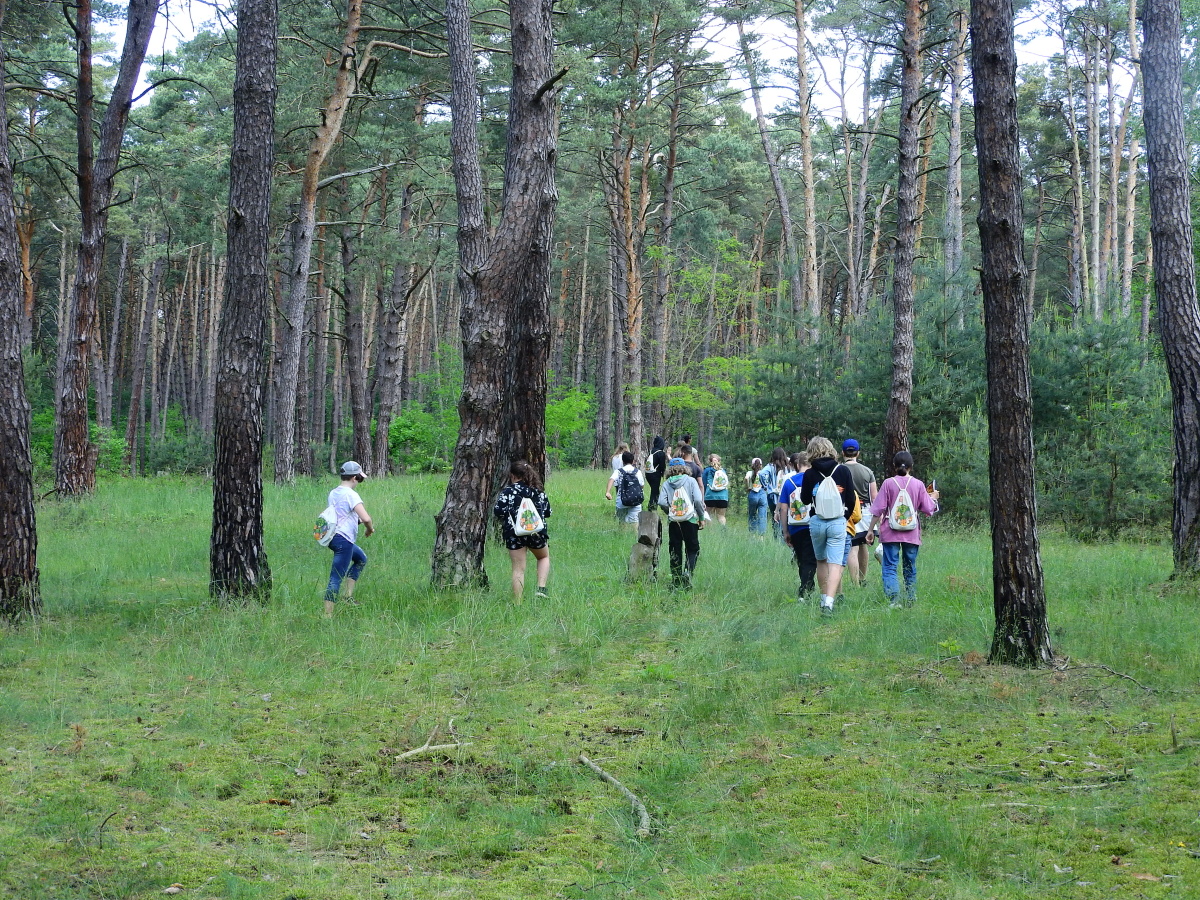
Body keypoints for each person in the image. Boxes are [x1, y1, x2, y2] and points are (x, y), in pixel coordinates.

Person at [869, 450, 939, 608]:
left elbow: (877, 509)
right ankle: (911, 598)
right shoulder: (918, 484)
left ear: (894, 466)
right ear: (911, 466)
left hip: (890, 532)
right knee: (910, 566)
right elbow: (928, 509)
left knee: (889, 566)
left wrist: (870, 530)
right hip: (911, 532)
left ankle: (894, 600)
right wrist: (933, 498)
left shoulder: (888, 483)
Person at [798, 436, 857, 616]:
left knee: (821, 561)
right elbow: (851, 499)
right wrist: (843, 517)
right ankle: (829, 604)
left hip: (817, 521)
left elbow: (805, 499)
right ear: (830, 449)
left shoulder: (809, 473)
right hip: (837, 522)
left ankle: (823, 598)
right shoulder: (843, 471)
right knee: (835, 563)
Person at [493, 459, 552, 602]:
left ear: (513, 475)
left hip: (514, 533)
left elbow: (498, 511)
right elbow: (548, 512)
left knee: (518, 569)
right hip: (536, 532)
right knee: (543, 557)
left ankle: (518, 602)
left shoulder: (508, 491)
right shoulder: (538, 491)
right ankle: (541, 588)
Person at [324, 460, 375, 618]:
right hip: (343, 539)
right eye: (359, 478)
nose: (359, 481)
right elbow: (366, 518)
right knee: (336, 577)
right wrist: (369, 529)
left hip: (332, 537)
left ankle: (348, 597)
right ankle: (327, 616)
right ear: (354, 478)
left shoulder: (334, 492)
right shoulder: (351, 495)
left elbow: (341, 514)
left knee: (361, 559)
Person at [658, 457, 707, 588]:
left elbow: (661, 502)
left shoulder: (667, 483)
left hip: (674, 522)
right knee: (693, 548)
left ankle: (676, 579)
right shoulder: (691, 481)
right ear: (684, 468)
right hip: (690, 520)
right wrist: (701, 517)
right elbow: (697, 500)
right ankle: (688, 572)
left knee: (675, 549)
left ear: (671, 469)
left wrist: (670, 511)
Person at [777, 452, 816, 600]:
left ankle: (805, 588)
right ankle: (806, 590)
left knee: (801, 558)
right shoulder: (815, 481)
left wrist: (785, 531)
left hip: (795, 526)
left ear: (798, 465)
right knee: (810, 559)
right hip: (812, 525)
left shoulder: (789, 482)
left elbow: (784, 508)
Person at [841, 439, 879, 586]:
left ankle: (855, 583)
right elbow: (874, 497)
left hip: (848, 512)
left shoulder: (839, 470)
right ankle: (863, 579)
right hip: (866, 512)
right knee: (863, 546)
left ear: (843, 453)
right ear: (858, 453)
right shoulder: (867, 471)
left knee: (852, 548)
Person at [606, 450, 646, 524]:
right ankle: (634, 535)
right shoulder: (637, 472)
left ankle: (622, 535)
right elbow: (642, 485)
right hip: (635, 501)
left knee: (622, 522)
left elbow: (611, 479)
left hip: (621, 501)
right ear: (633, 461)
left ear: (623, 461)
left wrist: (608, 492)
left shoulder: (619, 471)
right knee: (635, 523)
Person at [761, 447, 788, 539]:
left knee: (775, 516)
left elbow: (761, 474)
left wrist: (766, 485)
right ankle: (784, 535)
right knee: (785, 515)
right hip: (785, 494)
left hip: (772, 495)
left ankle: (777, 537)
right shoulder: (787, 466)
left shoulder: (770, 466)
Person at [702, 453, 730, 526]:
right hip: (723, 497)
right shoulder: (723, 471)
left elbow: (704, 483)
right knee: (721, 516)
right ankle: (723, 531)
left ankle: (710, 533)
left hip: (710, 496)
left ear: (709, 461)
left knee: (709, 516)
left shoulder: (707, 470)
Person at [745, 457, 768, 535]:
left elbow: (746, 478)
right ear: (761, 465)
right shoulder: (763, 473)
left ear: (752, 465)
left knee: (752, 515)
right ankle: (761, 536)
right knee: (762, 516)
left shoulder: (749, 473)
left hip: (752, 494)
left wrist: (748, 487)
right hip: (762, 494)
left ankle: (753, 535)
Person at [644, 436, 668, 510]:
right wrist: (662, 473)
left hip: (648, 473)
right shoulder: (661, 453)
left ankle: (653, 506)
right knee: (655, 491)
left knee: (654, 490)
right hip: (655, 474)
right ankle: (652, 507)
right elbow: (662, 465)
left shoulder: (651, 451)